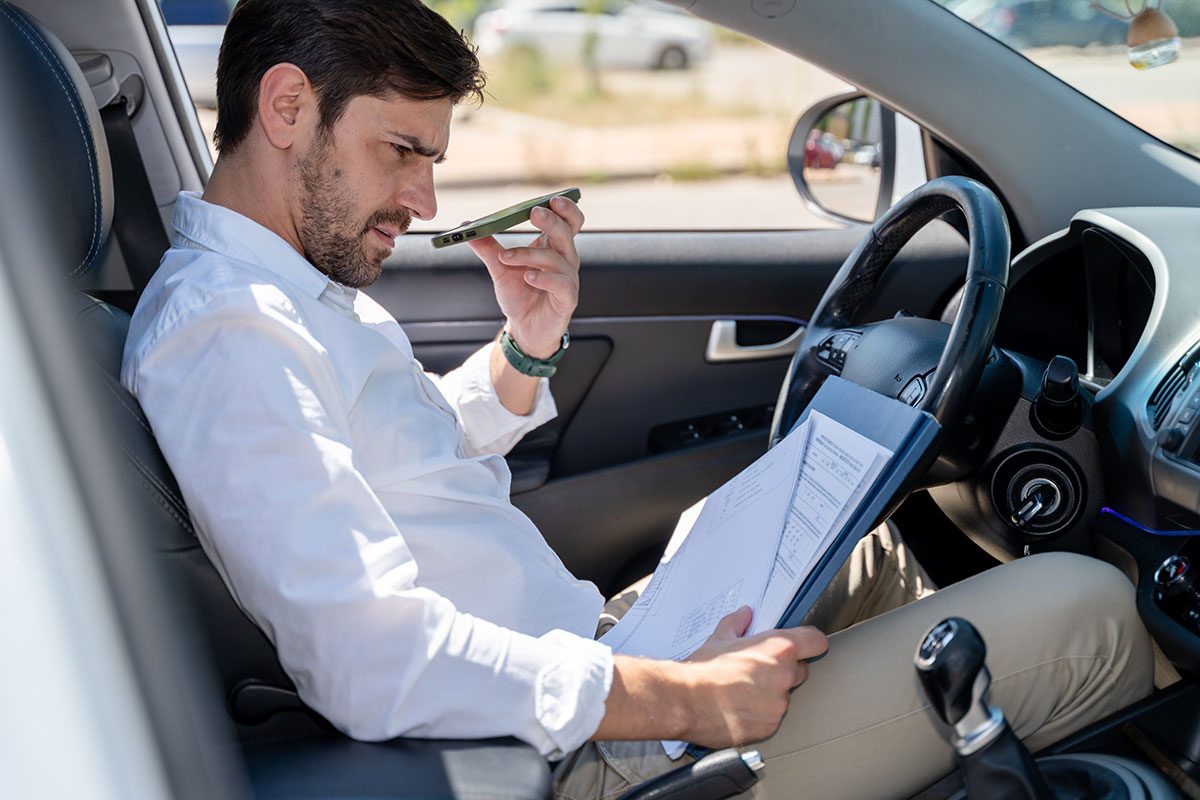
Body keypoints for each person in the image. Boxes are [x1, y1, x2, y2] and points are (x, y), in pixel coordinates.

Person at [121, 1, 1154, 797]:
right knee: (1094, 607)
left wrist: (528, 349)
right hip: (585, 759)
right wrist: (685, 696)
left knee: (872, 545)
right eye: (402, 151)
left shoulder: (289, 293)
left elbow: (403, 460)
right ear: (290, 106)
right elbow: (369, 657)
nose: (425, 202)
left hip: (596, 655)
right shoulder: (227, 332)